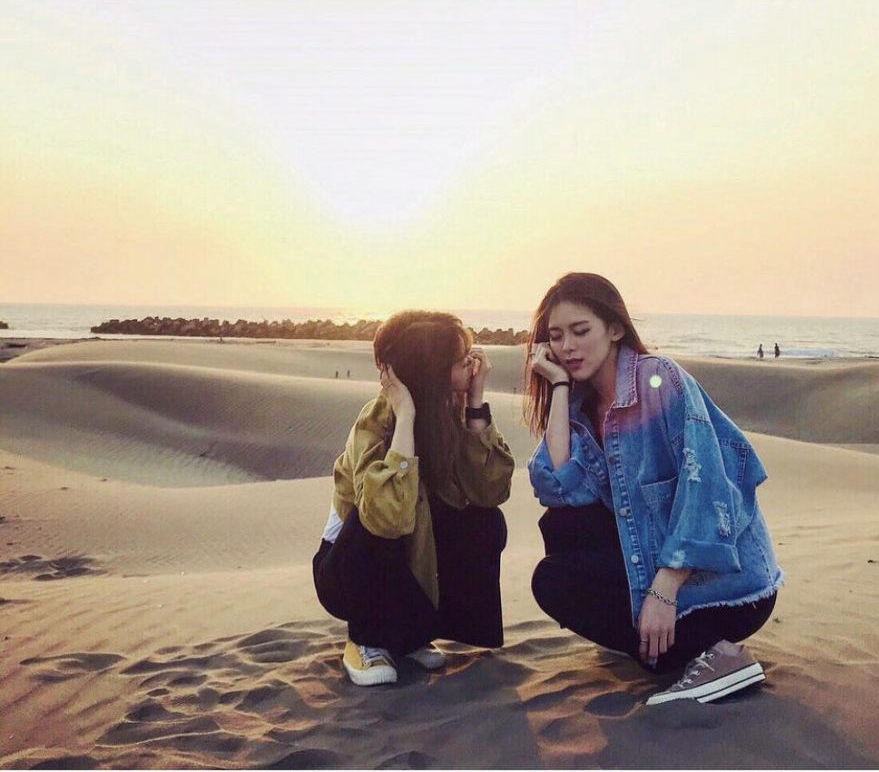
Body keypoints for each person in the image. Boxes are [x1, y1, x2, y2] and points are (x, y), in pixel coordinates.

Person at [525, 273, 783, 706]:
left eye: (580, 330)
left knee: (562, 569)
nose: (567, 346)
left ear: (615, 328)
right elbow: (556, 486)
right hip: (652, 571)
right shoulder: (583, 408)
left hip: (724, 585)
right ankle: (660, 646)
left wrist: (665, 588)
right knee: (559, 541)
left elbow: (709, 487)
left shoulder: (659, 380)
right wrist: (560, 388)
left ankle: (718, 656)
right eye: (556, 336)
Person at [312, 310, 514, 687]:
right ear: (432, 371)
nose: (473, 363)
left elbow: (491, 490)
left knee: (486, 522)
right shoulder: (377, 420)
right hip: (347, 570)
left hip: (413, 555)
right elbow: (385, 517)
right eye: (462, 359)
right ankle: (366, 638)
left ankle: (409, 633)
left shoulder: (450, 413)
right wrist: (405, 414)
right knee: (385, 511)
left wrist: (476, 402)